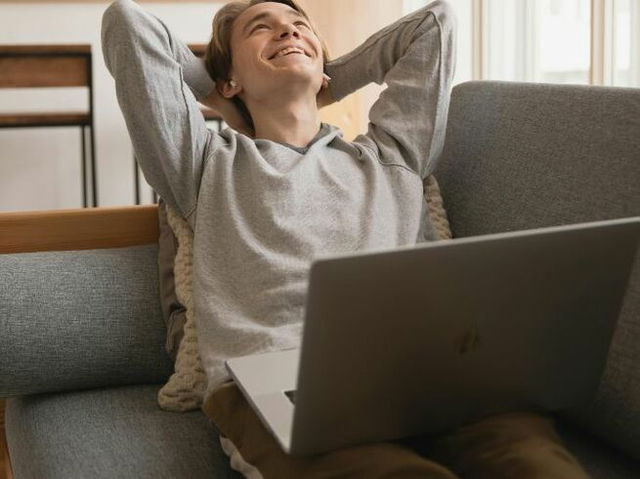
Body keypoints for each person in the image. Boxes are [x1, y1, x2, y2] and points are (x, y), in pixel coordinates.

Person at [101, 1, 591, 477]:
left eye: (299, 25)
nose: (288, 31)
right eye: (261, 27)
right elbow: (128, 24)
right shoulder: (205, 163)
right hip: (279, 380)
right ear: (229, 80)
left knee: (532, 463)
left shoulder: (391, 156)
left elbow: (435, 23)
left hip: (424, 370)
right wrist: (223, 88)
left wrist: (318, 72)